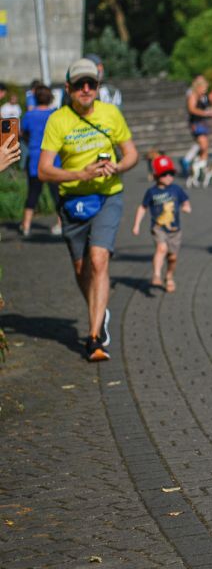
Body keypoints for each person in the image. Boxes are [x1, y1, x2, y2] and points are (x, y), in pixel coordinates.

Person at [38, 57, 139, 362]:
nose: (85, 89)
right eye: (79, 84)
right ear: (68, 88)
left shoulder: (111, 114)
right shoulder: (58, 121)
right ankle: (99, 310)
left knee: (98, 260)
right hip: (72, 202)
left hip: (108, 196)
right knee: (83, 270)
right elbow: (44, 170)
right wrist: (81, 174)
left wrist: (118, 167)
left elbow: (132, 153)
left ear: (97, 87)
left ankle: (94, 338)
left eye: (91, 84)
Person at [132, 155, 191, 293]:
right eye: (164, 174)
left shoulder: (176, 189)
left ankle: (169, 277)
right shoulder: (152, 192)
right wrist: (136, 225)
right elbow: (142, 207)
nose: (169, 176)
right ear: (156, 175)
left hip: (175, 230)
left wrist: (186, 207)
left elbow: (185, 201)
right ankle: (157, 274)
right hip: (158, 227)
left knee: (173, 257)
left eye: (171, 173)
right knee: (161, 248)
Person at [19, 85, 63, 236]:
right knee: (57, 195)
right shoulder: (55, 115)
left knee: (32, 193)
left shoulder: (29, 115)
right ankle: (60, 224)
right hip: (53, 159)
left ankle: (26, 226)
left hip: (35, 158)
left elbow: (22, 132)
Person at [185, 75, 212, 186]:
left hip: (203, 123)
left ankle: (200, 166)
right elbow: (192, 109)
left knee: (205, 147)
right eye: (204, 88)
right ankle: (191, 162)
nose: (205, 90)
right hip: (196, 123)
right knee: (203, 144)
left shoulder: (204, 97)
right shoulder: (193, 95)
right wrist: (206, 113)